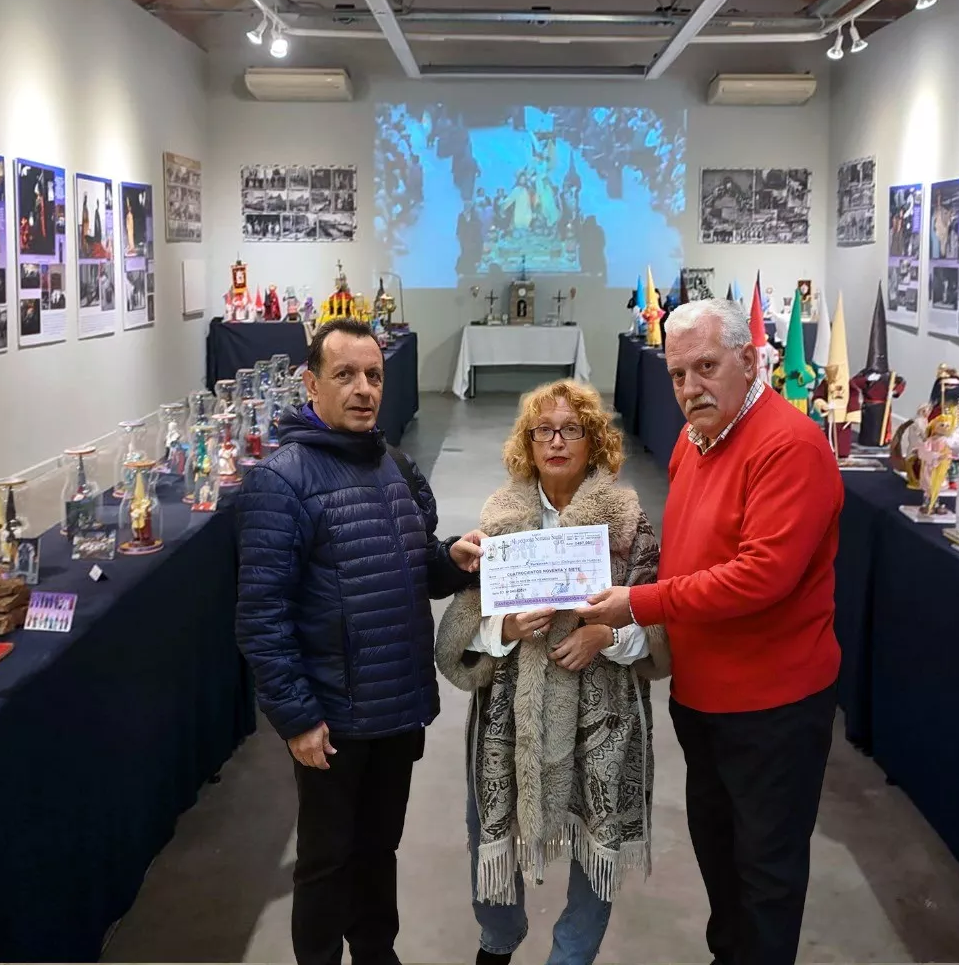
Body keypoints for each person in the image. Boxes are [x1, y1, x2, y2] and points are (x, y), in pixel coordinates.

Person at [581, 298, 843, 965]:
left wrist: (639, 603)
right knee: (723, 860)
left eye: (706, 367)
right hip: (705, 699)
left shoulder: (790, 446)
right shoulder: (698, 438)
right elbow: (687, 547)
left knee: (765, 874)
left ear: (750, 360)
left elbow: (761, 577)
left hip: (772, 708)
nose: (690, 389)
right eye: (676, 375)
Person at [236, 319, 482, 965]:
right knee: (326, 860)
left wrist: (453, 559)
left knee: (378, 850)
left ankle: (377, 952)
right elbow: (261, 616)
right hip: (333, 718)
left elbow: (414, 566)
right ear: (310, 383)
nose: (364, 388)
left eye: (373, 375)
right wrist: (297, 717)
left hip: (396, 708)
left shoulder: (395, 465)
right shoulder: (281, 481)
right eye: (345, 375)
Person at [435, 380, 669, 965]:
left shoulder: (628, 522)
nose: (557, 441)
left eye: (572, 429)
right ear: (528, 443)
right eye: (544, 430)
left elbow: (658, 626)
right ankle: (498, 938)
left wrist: (606, 635)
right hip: (511, 709)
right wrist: (503, 631)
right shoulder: (501, 520)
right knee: (489, 820)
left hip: (602, 709)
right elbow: (467, 622)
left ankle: (573, 954)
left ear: (594, 441)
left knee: (598, 828)